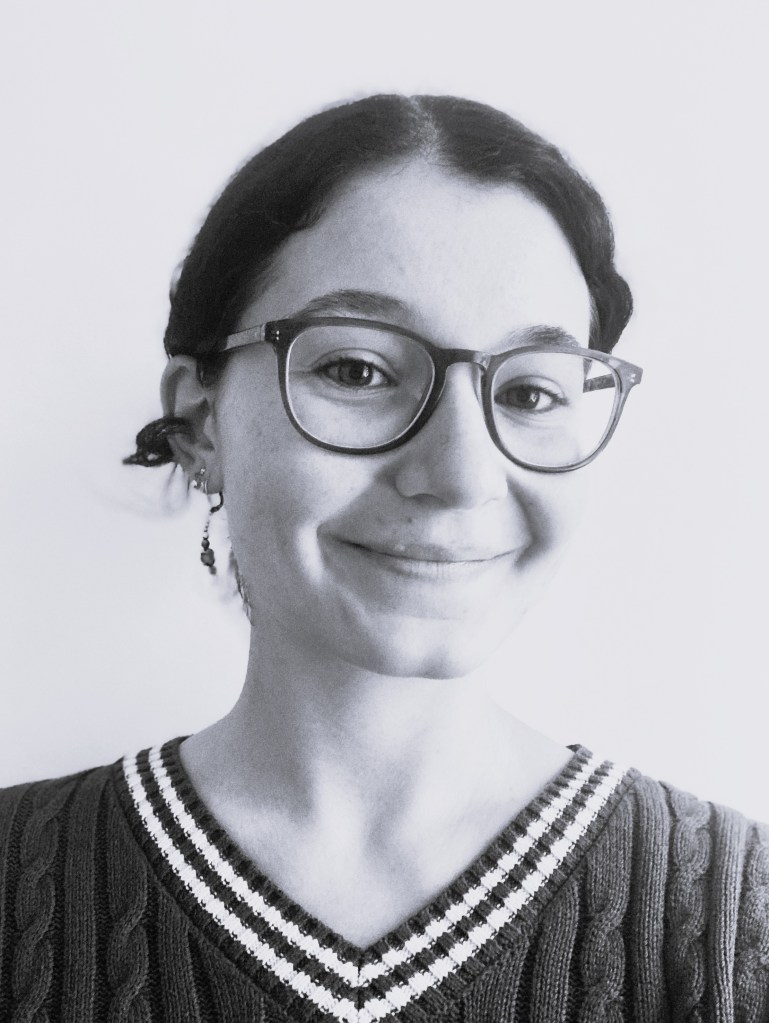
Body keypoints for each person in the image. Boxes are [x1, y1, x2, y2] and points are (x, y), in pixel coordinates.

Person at [0, 94, 766, 1023]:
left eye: (528, 392)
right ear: (201, 422)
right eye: (357, 370)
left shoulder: (732, 916)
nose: (460, 475)